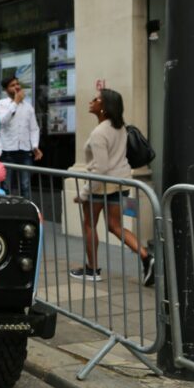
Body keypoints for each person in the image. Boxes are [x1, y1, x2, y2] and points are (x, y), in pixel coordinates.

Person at [70, 89, 154, 285]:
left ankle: (92, 270)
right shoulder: (120, 128)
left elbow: (100, 168)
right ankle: (147, 258)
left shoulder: (100, 132)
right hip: (122, 183)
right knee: (116, 226)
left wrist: (83, 193)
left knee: (89, 224)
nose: (92, 101)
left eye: (97, 99)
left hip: (100, 187)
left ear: (105, 108)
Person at [0, 77, 41, 198]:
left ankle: (27, 211)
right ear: (6, 89)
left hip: (25, 151)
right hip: (7, 150)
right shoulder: (1, 104)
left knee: (25, 184)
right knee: (6, 184)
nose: (17, 87)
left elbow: (34, 128)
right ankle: (7, 209)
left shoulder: (28, 107)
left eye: (17, 84)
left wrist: (35, 146)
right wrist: (15, 103)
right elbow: (3, 121)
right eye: (12, 85)